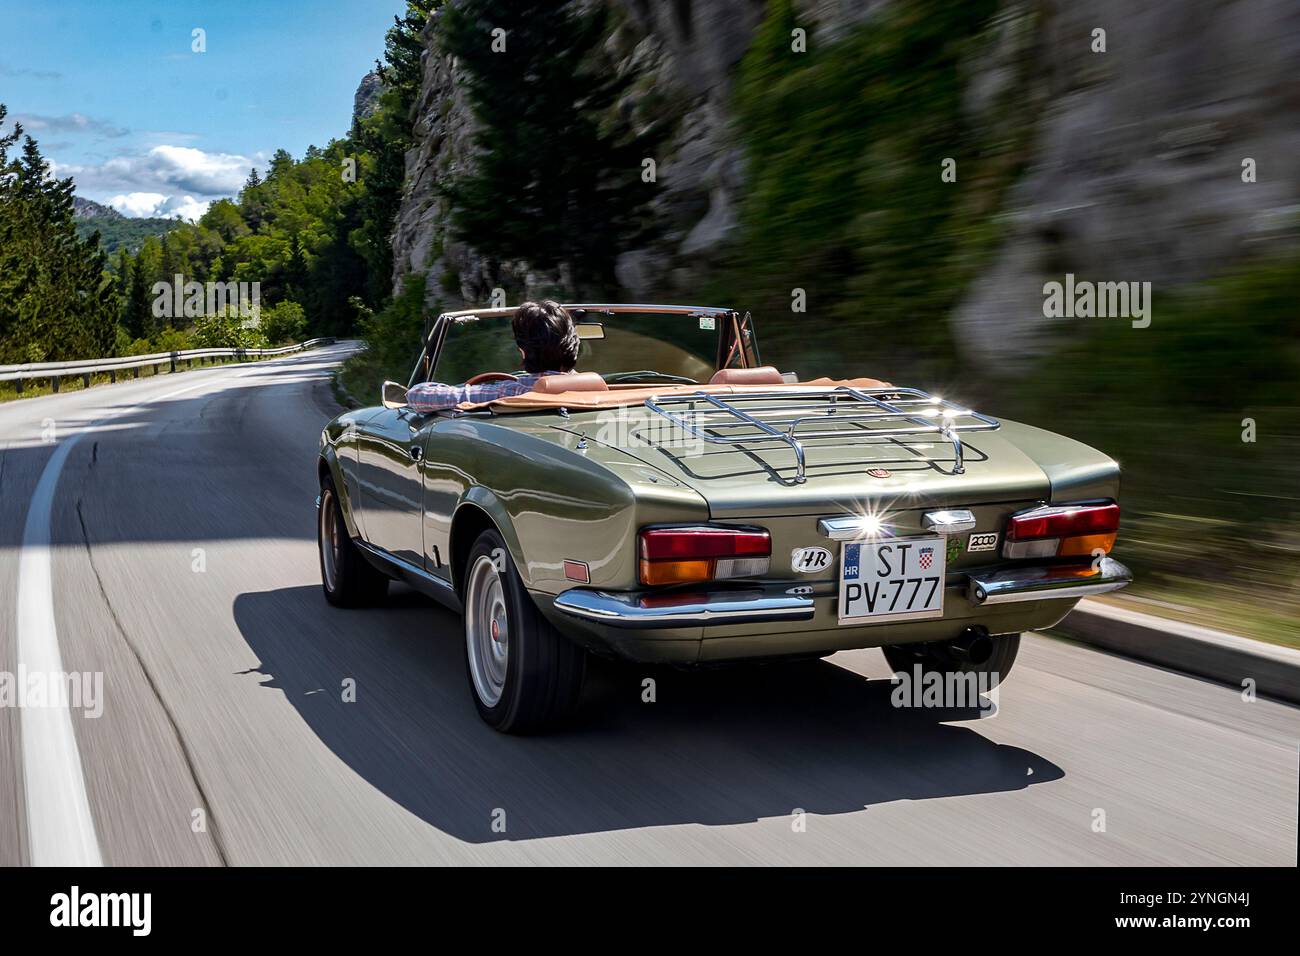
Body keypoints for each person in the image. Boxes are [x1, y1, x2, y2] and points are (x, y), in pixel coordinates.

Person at [405, 300, 579, 411]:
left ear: (523, 351)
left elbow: (417, 395)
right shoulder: (599, 391)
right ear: (574, 345)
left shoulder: (511, 392)